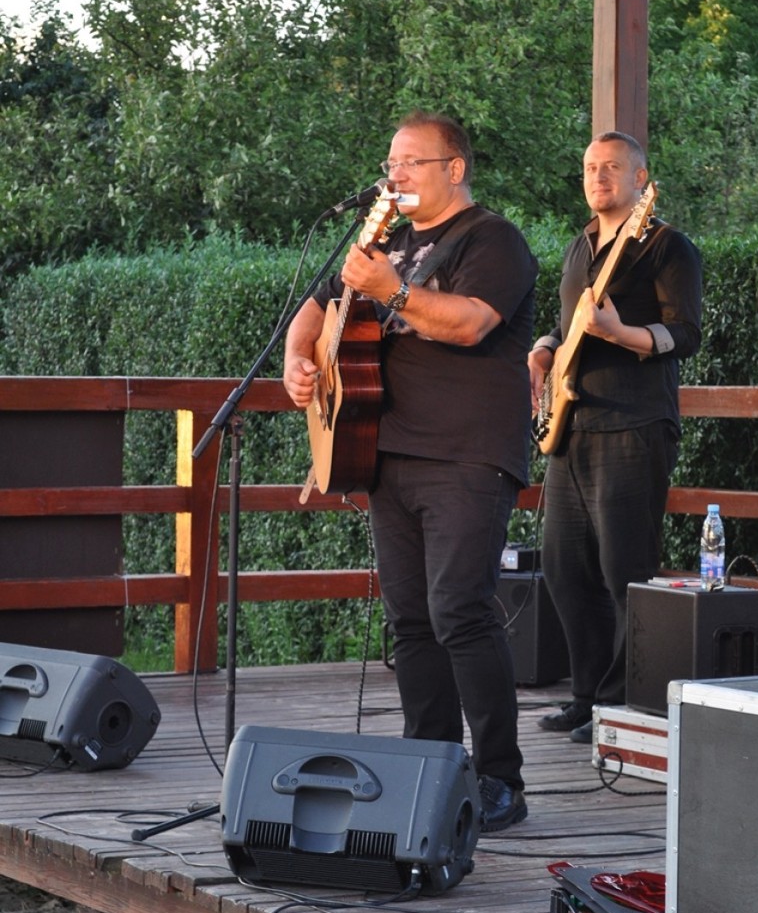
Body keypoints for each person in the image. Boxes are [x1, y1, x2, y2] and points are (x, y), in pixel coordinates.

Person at [283, 110, 538, 831]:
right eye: (390, 162)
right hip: (385, 454)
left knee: (460, 608)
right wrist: (298, 364)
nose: (393, 175)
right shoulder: (382, 240)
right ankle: (427, 763)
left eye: (410, 163)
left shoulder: (494, 239)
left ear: (454, 169)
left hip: (466, 454)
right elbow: (312, 313)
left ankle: (499, 779)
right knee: (411, 620)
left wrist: (393, 288)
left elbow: (469, 323)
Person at [529, 131, 702, 743]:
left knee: (625, 570)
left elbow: (685, 334)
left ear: (639, 180)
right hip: (572, 429)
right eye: (590, 167)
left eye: (612, 168)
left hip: (634, 425)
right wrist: (547, 348)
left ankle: (622, 705)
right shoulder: (580, 246)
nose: (598, 176)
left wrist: (621, 331)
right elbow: (568, 324)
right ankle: (587, 696)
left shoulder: (664, 246)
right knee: (563, 570)